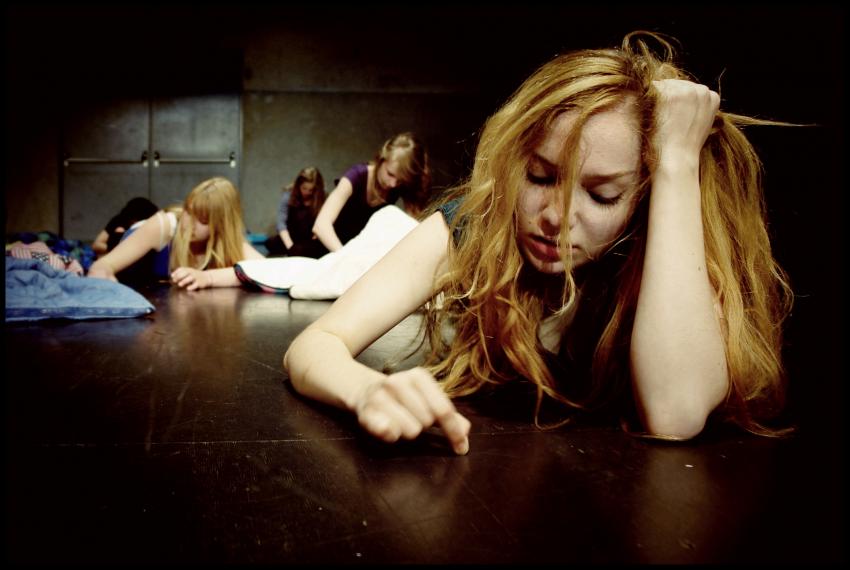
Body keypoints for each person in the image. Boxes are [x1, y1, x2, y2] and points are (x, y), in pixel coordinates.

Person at [283, 32, 794, 456]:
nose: (554, 218)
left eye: (602, 194)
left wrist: (678, 163)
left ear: (644, 198)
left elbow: (675, 413)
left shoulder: (661, 248)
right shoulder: (479, 222)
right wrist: (365, 389)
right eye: (540, 176)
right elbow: (315, 343)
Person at [88, 177, 265, 289]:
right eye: (188, 211)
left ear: (221, 227)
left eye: (202, 220)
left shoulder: (227, 239)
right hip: (129, 253)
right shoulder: (164, 225)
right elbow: (102, 266)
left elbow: (269, 271)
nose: (189, 224)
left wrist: (208, 277)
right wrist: (102, 273)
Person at [311, 132, 431, 252]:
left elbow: (414, 226)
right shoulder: (356, 176)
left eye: (400, 180)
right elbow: (321, 225)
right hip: (328, 247)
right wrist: (345, 257)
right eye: (390, 174)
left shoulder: (400, 185)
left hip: (357, 250)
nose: (393, 184)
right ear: (382, 159)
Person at [264, 166, 328, 258]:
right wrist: (291, 248)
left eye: (311, 190)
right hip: (292, 236)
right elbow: (281, 224)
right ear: (298, 185)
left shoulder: (322, 196)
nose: (307, 192)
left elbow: (325, 220)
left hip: (310, 237)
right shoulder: (288, 195)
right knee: (270, 243)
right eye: (304, 188)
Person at [92, 196, 160, 257]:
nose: (135, 224)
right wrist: (118, 249)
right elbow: (96, 245)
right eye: (134, 221)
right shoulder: (120, 220)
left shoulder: (151, 224)